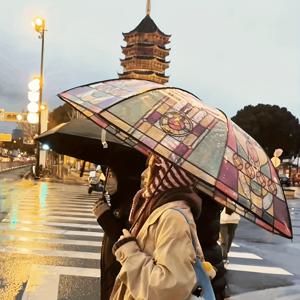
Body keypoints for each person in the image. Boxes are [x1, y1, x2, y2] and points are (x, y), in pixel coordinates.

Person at [109, 154, 216, 300]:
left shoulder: (172, 217)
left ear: (168, 175)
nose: (143, 174)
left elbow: (168, 289)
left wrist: (129, 252)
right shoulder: (159, 208)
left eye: (152, 167)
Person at [92, 149, 146, 300]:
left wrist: (105, 218)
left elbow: (127, 244)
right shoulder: (119, 203)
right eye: (107, 175)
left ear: (125, 178)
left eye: (112, 176)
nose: (108, 181)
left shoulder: (134, 207)